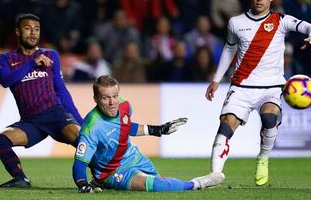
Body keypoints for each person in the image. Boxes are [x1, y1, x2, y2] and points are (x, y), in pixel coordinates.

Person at [198, 0, 311, 187]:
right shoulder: (236, 23)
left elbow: (310, 27)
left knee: (269, 117)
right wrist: (216, 80)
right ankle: (215, 174)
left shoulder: (281, 21)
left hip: (271, 87)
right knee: (226, 125)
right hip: (241, 86)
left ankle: (263, 158)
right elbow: (229, 49)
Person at [72, 75, 223, 193]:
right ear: (96, 99)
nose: (112, 103)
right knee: (152, 185)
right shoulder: (91, 127)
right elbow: (80, 163)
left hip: (135, 157)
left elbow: (125, 127)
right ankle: (198, 183)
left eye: (115, 96)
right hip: (113, 171)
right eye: (105, 98)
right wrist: (82, 184)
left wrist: (157, 130)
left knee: (159, 183)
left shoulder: (124, 105)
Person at [0, 13, 83, 188]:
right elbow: (5, 81)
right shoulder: (6, 58)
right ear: (18, 32)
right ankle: (21, 179)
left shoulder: (50, 55)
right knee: (0, 140)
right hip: (31, 122)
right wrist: (31, 63)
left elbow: (61, 90)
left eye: (37, 29)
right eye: (27, 28)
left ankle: (106, 175)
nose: (33, 33)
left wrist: (79, 120)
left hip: (56, 115)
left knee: (84, 143)